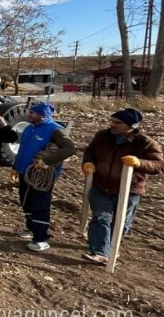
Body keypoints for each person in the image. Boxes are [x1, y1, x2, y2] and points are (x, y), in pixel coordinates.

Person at [81, 108, 164, 265]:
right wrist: (87, 162)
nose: (112, 124)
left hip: (128, 190)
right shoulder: (102, 136)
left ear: (131, 125)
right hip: (101, 186)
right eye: (112, 121)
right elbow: (90, 151)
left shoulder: (145, 143)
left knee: (122, 222)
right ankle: (100, 252)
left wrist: (140, 163)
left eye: (117, 122)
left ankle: (112, 247)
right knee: (100, 218)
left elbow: (160, 165)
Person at [10, 102, 76, 252]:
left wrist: (46, 161)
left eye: (32, 113)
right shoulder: (29, 128)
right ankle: (31, 229)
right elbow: (22, 149)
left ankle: (41, 238)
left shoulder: (55, 130)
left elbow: (71, 148)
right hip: (25, 172)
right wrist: (15, 167)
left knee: (39, 204)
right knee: (26, 201)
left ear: (42, 115)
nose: (29, 115)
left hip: (41, 175)